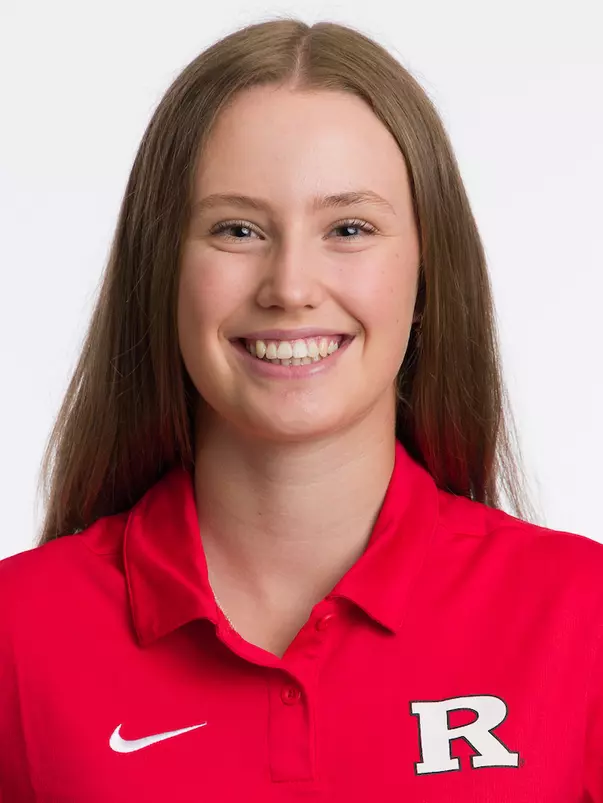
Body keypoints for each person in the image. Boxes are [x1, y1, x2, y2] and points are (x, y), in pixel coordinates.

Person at [0, 16, 601, 803]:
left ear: (426, 270)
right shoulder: (18, 634)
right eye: (236, 228)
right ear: (162, 270)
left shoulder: (580, 620)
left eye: (348, 227)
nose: (289, 285)